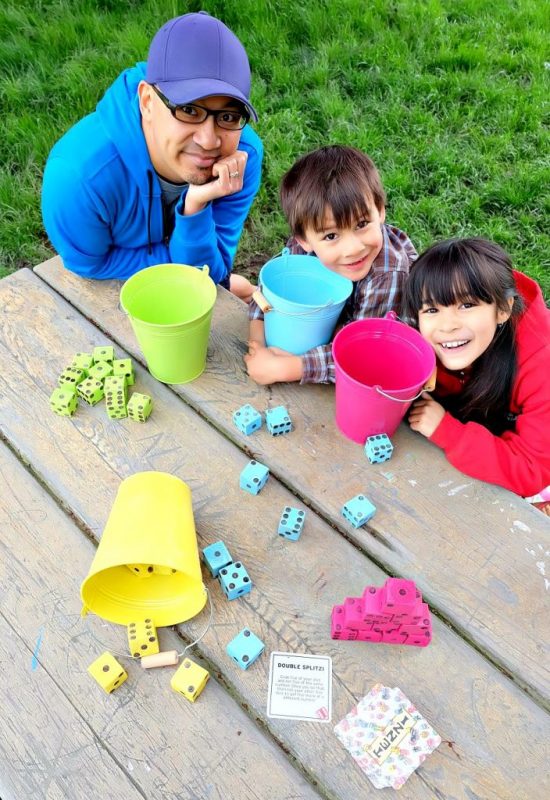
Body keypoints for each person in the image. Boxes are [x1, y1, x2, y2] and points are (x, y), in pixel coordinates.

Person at [41, 11, 263, 300]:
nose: (209, 140)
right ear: (147, 101)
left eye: (228, 115)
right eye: (189, 110)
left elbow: (214, 271)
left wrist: (196, 205)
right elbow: (89, 262)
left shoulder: (242, 157)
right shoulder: (77, 178)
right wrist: (181, 263)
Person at [245, 145, 417, 384]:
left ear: (380, 211)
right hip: (340, 321)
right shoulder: (299, 251)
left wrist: (289, 368)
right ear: (304, 240)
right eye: (331, 236)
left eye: (362, 224)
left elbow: (363, 355)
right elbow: (266, 295)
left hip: (381, 337)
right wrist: (258, 346)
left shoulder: (387, 273)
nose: (353, 248)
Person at [402, 237, 550, 513]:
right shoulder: (422, 338)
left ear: (503, 309)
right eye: (432, 309)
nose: (447, 326)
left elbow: (533, 472)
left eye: (466, 305)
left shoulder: (542, 364)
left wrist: (447, 432)